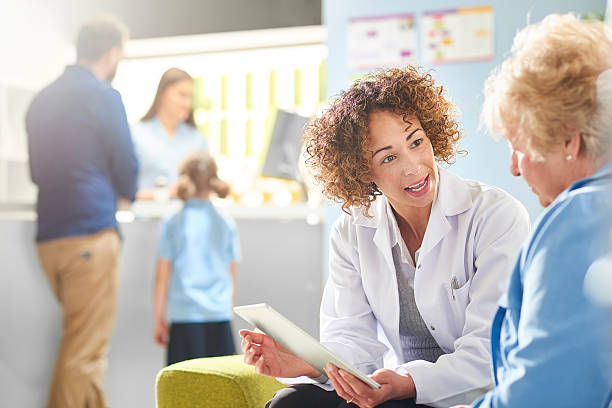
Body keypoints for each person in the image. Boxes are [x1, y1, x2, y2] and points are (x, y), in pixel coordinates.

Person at [241, 66, 530, 408]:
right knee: (290, 403)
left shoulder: (495, 215)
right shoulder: (351, 232)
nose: (413, 167)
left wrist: (407, 382)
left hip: (475, 392)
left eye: (417, 142)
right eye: (389, 157)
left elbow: (488, 351)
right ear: (362, 170)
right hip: (396, 388)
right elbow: (353, 341)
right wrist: (307, 362)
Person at [451, 13, 612, 408]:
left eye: (517, 144)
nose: (513, 166)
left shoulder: (581, 217)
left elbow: (548, 394)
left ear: (568, 140)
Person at [25, 15, 138, 408]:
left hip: (50, 237)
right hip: (89, 235)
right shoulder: (104, 95)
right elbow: (126, 168)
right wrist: (126, 191)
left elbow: (38, 172)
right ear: (112, 53)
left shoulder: (41, 99)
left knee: (88, 352)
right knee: (84, 354)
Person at [153, 150, 240, 365]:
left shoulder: (172, 222)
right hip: (219, 317)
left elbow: (162, 277)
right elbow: (231, 277)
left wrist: (159, 318)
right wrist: (225, 308)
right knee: (222, 390)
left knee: (183, 392)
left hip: (184, 318)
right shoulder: (226, 222)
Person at [132, 67, 208, 199]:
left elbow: (205, 187)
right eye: (182, 95)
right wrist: (165, 194)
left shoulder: (196, 139)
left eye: (190, 97)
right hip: (148, 217)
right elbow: (124, 192)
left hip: (188, 218)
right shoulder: (136, 135)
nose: (188, 104)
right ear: (162, 94)